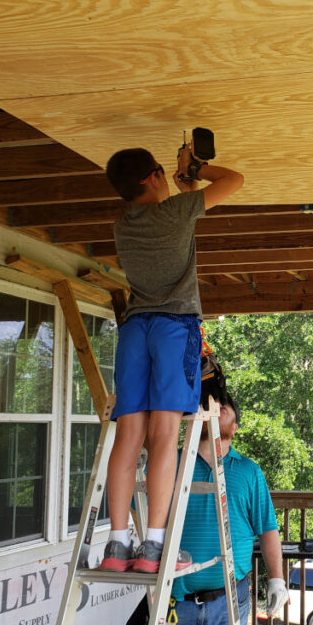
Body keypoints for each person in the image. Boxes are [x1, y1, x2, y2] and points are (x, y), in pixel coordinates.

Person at [100, 143, 244, 572]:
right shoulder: (177, 211)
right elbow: (235, 181)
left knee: (129, 437)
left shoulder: (121, 223)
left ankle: (117, 544)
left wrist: (179, 183)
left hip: (135, 331)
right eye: (161, 171)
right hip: (173, 329)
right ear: (151, 178)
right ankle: (155, 548)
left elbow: (163, 207)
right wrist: (195, 169)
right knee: (164, 435)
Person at [154, 394, 286, 625]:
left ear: (234, 427)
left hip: (229, 600)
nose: (215, 407)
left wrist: (277, 580)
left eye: (223, 407)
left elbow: (268, 529)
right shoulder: (172, 463)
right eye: (209, 405)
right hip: (175, 600)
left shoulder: (248, 472)